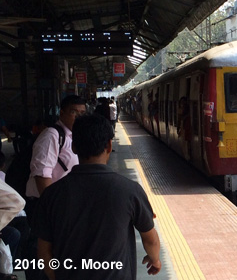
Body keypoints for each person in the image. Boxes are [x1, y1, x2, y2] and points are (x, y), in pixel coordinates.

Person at [34, 114, 161, 280]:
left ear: (74, 147)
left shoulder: (52, 194)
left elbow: (44, 251)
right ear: (109, 145)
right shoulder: (130, 190)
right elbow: (150, 240)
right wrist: (155, 259)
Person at [26, 95, 86, 199]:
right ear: (61, 113)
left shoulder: (73, 136)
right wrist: (52, 206)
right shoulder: (51, 135)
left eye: (82, 113)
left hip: (65, 200)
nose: (78, 117)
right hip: (50, 203)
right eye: (73, 112)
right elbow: (42, 175)